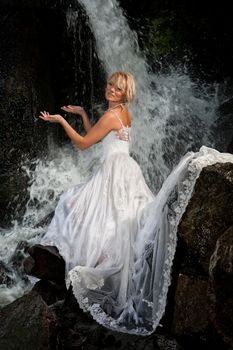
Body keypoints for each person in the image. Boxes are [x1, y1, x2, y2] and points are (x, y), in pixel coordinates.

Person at [37, 71, 203, 335]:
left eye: (118, 88)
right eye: (110, 84)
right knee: (115, 221)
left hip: (114, 174)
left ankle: (100, 265)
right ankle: (107, 259)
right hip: (125, 170)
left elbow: (82, 144)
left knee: (75, 204)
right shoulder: (122, 113)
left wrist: (60, 121)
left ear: (126, 93)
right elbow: (100, 138)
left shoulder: (112, 115)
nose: (111, 89)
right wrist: (82, 115)